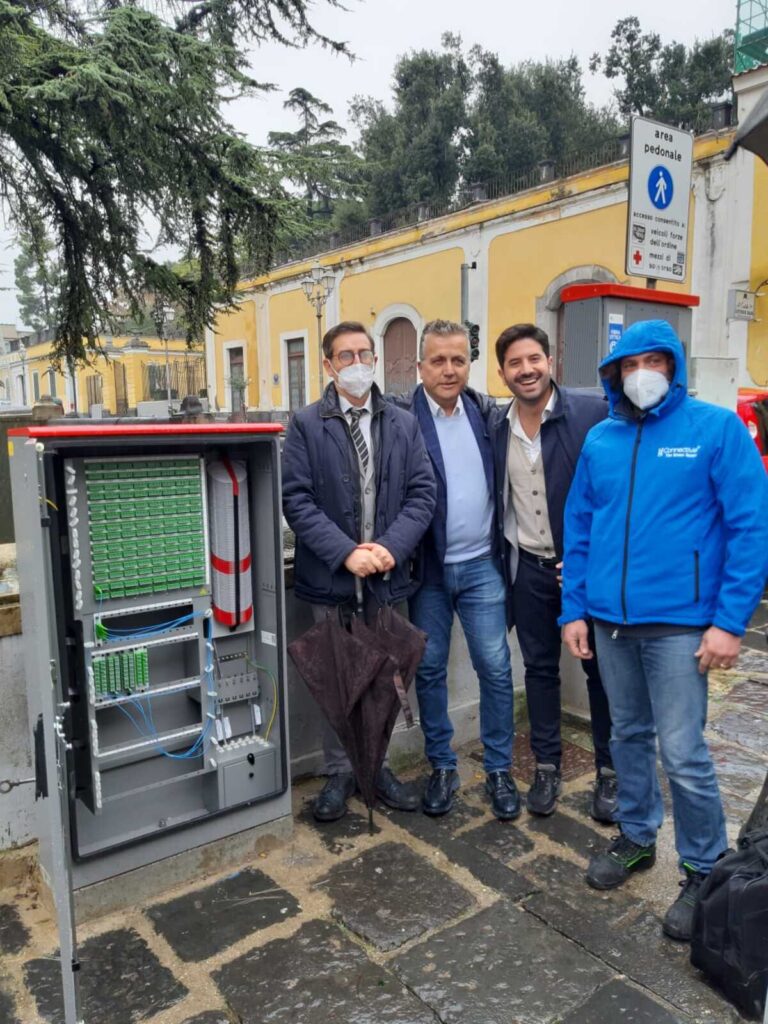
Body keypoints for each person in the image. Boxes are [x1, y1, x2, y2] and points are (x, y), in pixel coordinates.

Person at [560, 319, 768, 942]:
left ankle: (703, 865)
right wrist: (575, 608)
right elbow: (580, 526)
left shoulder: (715, 430)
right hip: (610, 621)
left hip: (682, 624)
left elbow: (750, 528)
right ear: (615, 373)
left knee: (683, 750)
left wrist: (730, 622)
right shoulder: (600, 438)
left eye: (654, 361)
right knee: (626, 734)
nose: (641, 373)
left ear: (673, 367)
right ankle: (637, 835)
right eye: (630, 364)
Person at [282, 321, 436, 822]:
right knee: (336, 676)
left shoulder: (403, 422)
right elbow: (297, 500)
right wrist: (346, 552)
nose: (356, 363)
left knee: (386, 676)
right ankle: (340, 772)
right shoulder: (306, 424)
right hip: (332, 578)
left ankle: (379, 766)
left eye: (363, 353)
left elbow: (422, 493)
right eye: (344, 356)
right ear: (328, 365)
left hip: (387, 579)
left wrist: (391, 547)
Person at [491, 323, 617, 822]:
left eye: (534, 359)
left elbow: (615, 492)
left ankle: (611, 773)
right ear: (502, 373)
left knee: (600, 671)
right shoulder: (495, 427)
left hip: (583, 572)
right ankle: (546, 766)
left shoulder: (592, 414)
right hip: (527, 569)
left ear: (550, 361)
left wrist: (592, 560)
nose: (526, 370)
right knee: (539, 670)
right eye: (515, 363)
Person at [406, 319, 518, 820]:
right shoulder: (401, 421)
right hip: (427, 571)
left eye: (457, 360)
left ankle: (498, 768)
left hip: (481, 568)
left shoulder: (485, 413)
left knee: (495, 667)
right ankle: (442, 766)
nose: (448, 370)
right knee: (428, 670)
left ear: (468, 363)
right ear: (420, 366)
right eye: (438, 360)